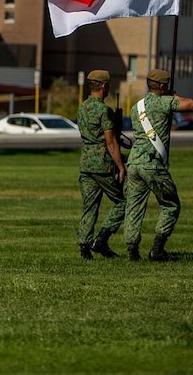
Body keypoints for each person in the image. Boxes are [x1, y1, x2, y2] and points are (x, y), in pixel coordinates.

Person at [122, 68, 193, 262]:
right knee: (171, 204)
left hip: (134, 162)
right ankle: (157, 249)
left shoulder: (136, 106)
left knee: (134, 206)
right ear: (163, 87)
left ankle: (132, 251)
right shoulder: (165, 103)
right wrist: (175, 96)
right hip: (151, 164)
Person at [76, 69, 126, 259]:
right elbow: (111, 142)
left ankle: (84, 247)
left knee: (90, 206)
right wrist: (121, 167)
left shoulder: (82, 108)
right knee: (122, 202)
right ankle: (102, 239)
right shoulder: (104, 111)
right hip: (102, 164)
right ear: (104, 86)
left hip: (86, 162)